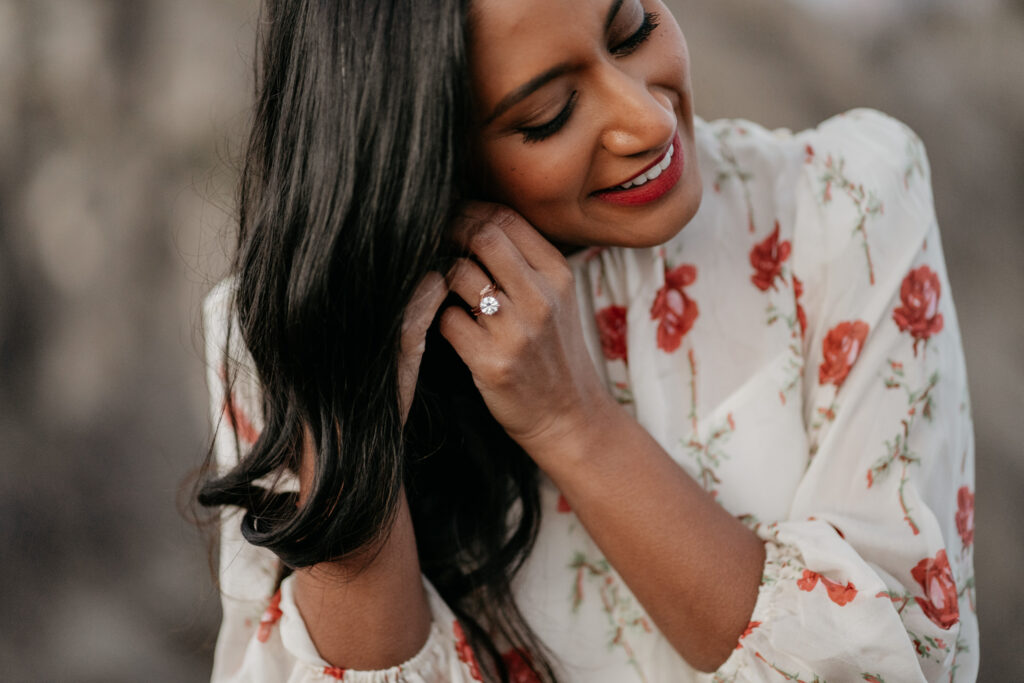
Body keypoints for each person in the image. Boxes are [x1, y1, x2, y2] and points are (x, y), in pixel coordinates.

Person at [197, 0, 978, 680]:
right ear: (423, 160)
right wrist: (354, 441)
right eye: (549, 116)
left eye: (633, 29)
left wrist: (573, 422)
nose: (650, 119)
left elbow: (897, 662)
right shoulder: (282, 338)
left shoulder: (842, 206)